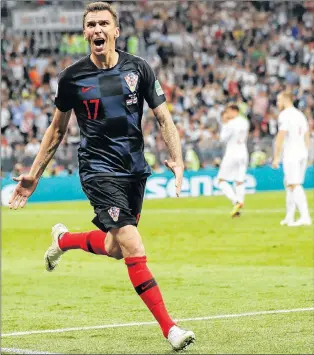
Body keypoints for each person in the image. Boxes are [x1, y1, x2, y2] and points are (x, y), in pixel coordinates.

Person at [8, 2, 195, 351]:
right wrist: (34, 175)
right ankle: (170, 328)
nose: (97, 30)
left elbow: (163, 119)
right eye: (91, 24)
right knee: (133, 243)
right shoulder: (72, 77)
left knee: (115, 248)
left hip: (134, 170)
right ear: (84, 33)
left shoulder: (138, 69)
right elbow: (56, 130)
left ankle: (63, 241)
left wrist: (177, 158)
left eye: (103, 24)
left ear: (116, 31)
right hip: (97, 169)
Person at [272, 91, 312, 226]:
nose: (277, 103)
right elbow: (307, 135)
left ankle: (305, 217)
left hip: (292, 153)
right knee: (289, 183)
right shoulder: (300, 115)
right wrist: (307, 152)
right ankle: (290, 216)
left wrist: (276, 157)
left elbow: (281, 136)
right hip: (302, 152)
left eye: (278, 100)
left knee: (294, 184)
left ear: (285, 100)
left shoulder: (285, 115)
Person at [217, 105, 249, 217]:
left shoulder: (231, 124)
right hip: (243, 152)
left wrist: (225, 123)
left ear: (233, 111)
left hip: (232, 153)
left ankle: (235, 200)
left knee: (221, 180)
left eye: (228, 111)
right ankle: (238, 206)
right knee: (240, 180)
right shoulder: (245, 122)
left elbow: (222, 138)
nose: (227, 114)